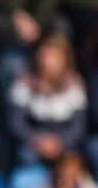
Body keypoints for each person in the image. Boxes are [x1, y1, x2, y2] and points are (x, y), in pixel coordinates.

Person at [7, 32, 88, 167]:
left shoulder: (74, 84)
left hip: (64, 141)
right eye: (44, 56)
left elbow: (78, 126)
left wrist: (61, 142)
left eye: (53, 57)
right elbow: (15, 122)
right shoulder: (24, 82)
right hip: (33, 141)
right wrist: (36, 140)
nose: (47, 62)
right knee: (26, 157)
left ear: (64, 59)